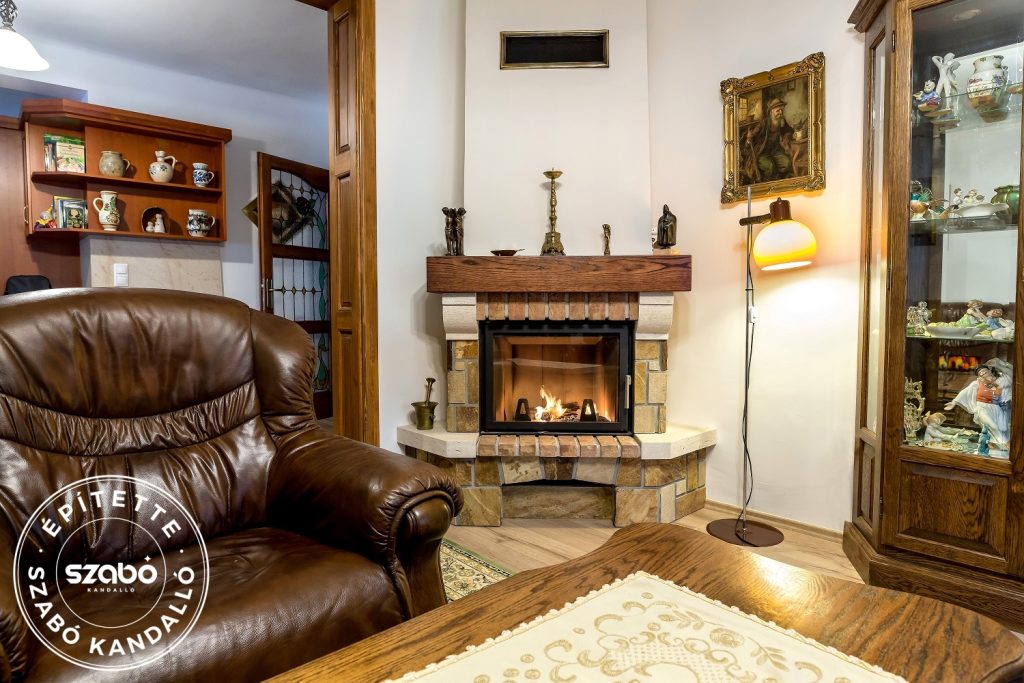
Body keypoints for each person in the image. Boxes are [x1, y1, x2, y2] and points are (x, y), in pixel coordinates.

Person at [945, 360, 1012, 453]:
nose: (983, 373)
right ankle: (1006, 443)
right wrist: (954, 402)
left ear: (989, 371)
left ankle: (991, 442)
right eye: (980, 373)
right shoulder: (976, 383)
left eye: (984, 371)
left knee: (1000, 427)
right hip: (982, 407)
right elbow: (965, 392)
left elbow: (998, 391)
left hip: (995, 407)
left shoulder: (996, 382)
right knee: (992, 425)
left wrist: (998, 367)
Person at [744, 98, 794, 182]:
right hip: (763, 152)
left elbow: (788, 130)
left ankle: (779, 180)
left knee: (787, 163)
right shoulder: (764, 123)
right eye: (778, 111)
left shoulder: (782, 121)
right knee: (770, 166)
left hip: (776, 150)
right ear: (771, 112)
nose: (781, 113)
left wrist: (787, 136)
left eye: (781, 110)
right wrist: (749, 138)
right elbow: (752, 137)